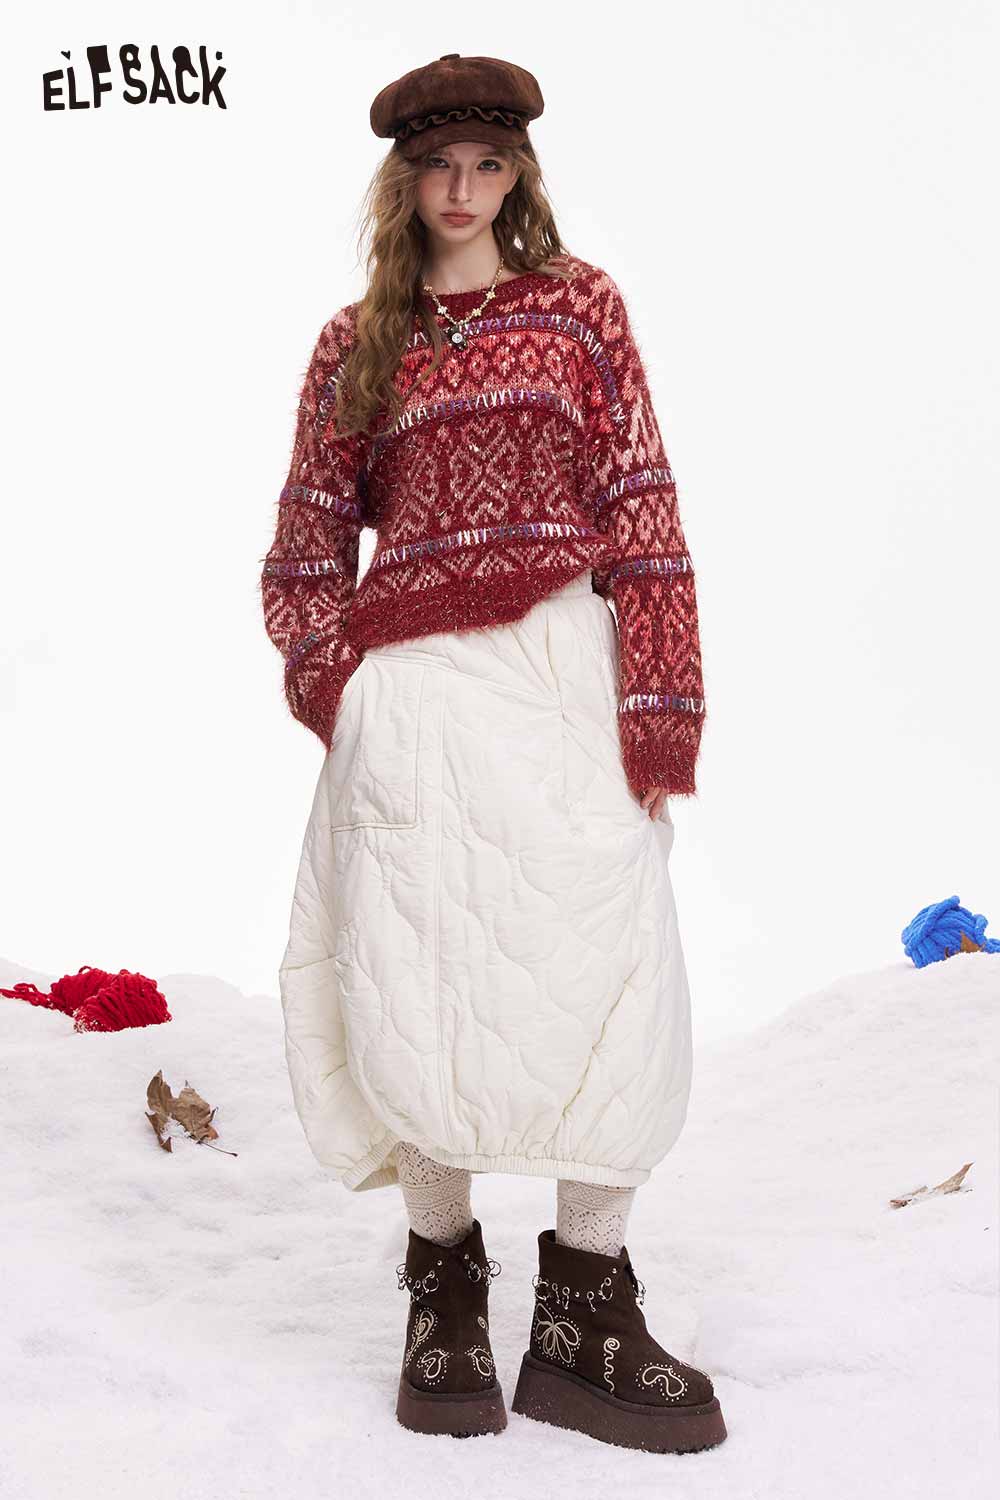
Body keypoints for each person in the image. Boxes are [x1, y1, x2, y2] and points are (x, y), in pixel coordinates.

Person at [258, 52, 726, 1454]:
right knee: (421, 982)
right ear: (402, 182)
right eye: (437, 166)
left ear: (518, 174)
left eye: (486, 164)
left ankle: (585, 1309)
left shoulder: (581, 309)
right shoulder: (356, 343)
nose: (461, 189)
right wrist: (339, 685)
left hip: (560, 677)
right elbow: (304, 538)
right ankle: (443, 1297)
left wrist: (661, 712)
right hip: (413, 700)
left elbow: (643, 507)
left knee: (614, 976)